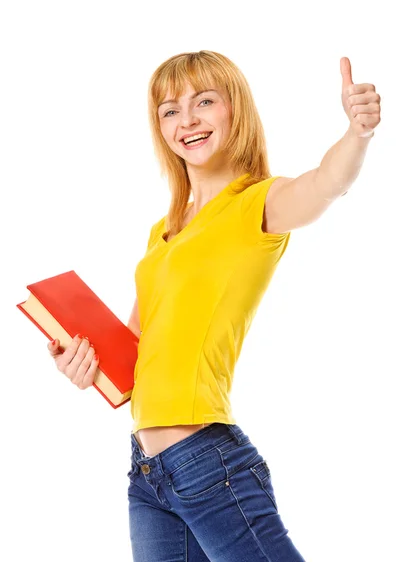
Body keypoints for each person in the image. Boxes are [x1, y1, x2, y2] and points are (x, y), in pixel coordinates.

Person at [47, 50, 380, 561]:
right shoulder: (165, 231)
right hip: (147, 473)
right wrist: (83, 362)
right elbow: (134, 354)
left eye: (204, 101)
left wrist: (356, 134)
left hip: (208, 464)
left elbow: (325, 183)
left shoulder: (258, 204)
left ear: (235, 110)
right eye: (170, 110)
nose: (188, 121)